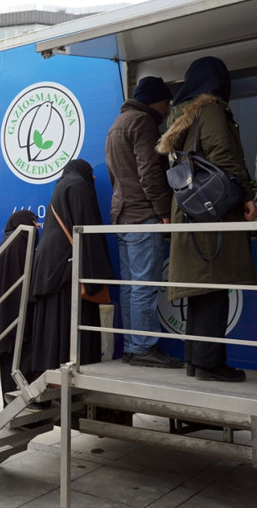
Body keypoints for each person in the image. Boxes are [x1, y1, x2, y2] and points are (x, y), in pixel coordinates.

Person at [156, 56, 257, 383]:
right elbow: (224, 155)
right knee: (214, 285)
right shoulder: (210, 109)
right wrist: (246, 195)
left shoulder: (180, 116)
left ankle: (196, 360)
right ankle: (210, 364)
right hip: (213, 209)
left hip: (190, 209)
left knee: (202, 289)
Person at [106, 76, 182, 368]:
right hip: (143, 213)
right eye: (166, 103)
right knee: (145, 284)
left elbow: (118, 176)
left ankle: (132, 343)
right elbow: (150, 172)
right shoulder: (143, 123)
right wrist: (164, 211)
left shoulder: (118, 123)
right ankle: (143, 346)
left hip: (123, 213)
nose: (167, 110)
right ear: (156, 101)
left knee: (130, 284)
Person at [30, 159, 115, 373]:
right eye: (91, 172)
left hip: (53, 266)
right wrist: (98, 277)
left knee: (55, 323)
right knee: (72, 320)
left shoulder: (63, 185)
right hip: (67, 269)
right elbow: (88, 230)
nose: (94, 178)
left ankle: (53, 368)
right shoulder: (78, 185)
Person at [0, 210, 41, 403]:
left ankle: (12, 409)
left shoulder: (10, 242)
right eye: (34, 222)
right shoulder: (18, 244)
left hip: (6, 322)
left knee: (10, 370)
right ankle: (19, 409)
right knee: (19, 368)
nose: (38, 226)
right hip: (16, 323)